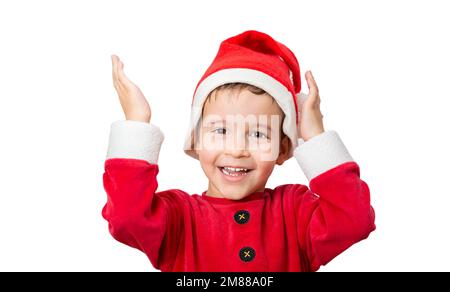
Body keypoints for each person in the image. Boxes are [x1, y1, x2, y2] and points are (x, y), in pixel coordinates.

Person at [102, 30, 376, 272]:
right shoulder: (179, 217)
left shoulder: (294, 212)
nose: (237, 149)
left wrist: (316, 136)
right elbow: (126, 219)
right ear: (196, 140)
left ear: (283, 149)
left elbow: (354, 221)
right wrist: (136, 123)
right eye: (220, 131)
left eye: (258, 133)